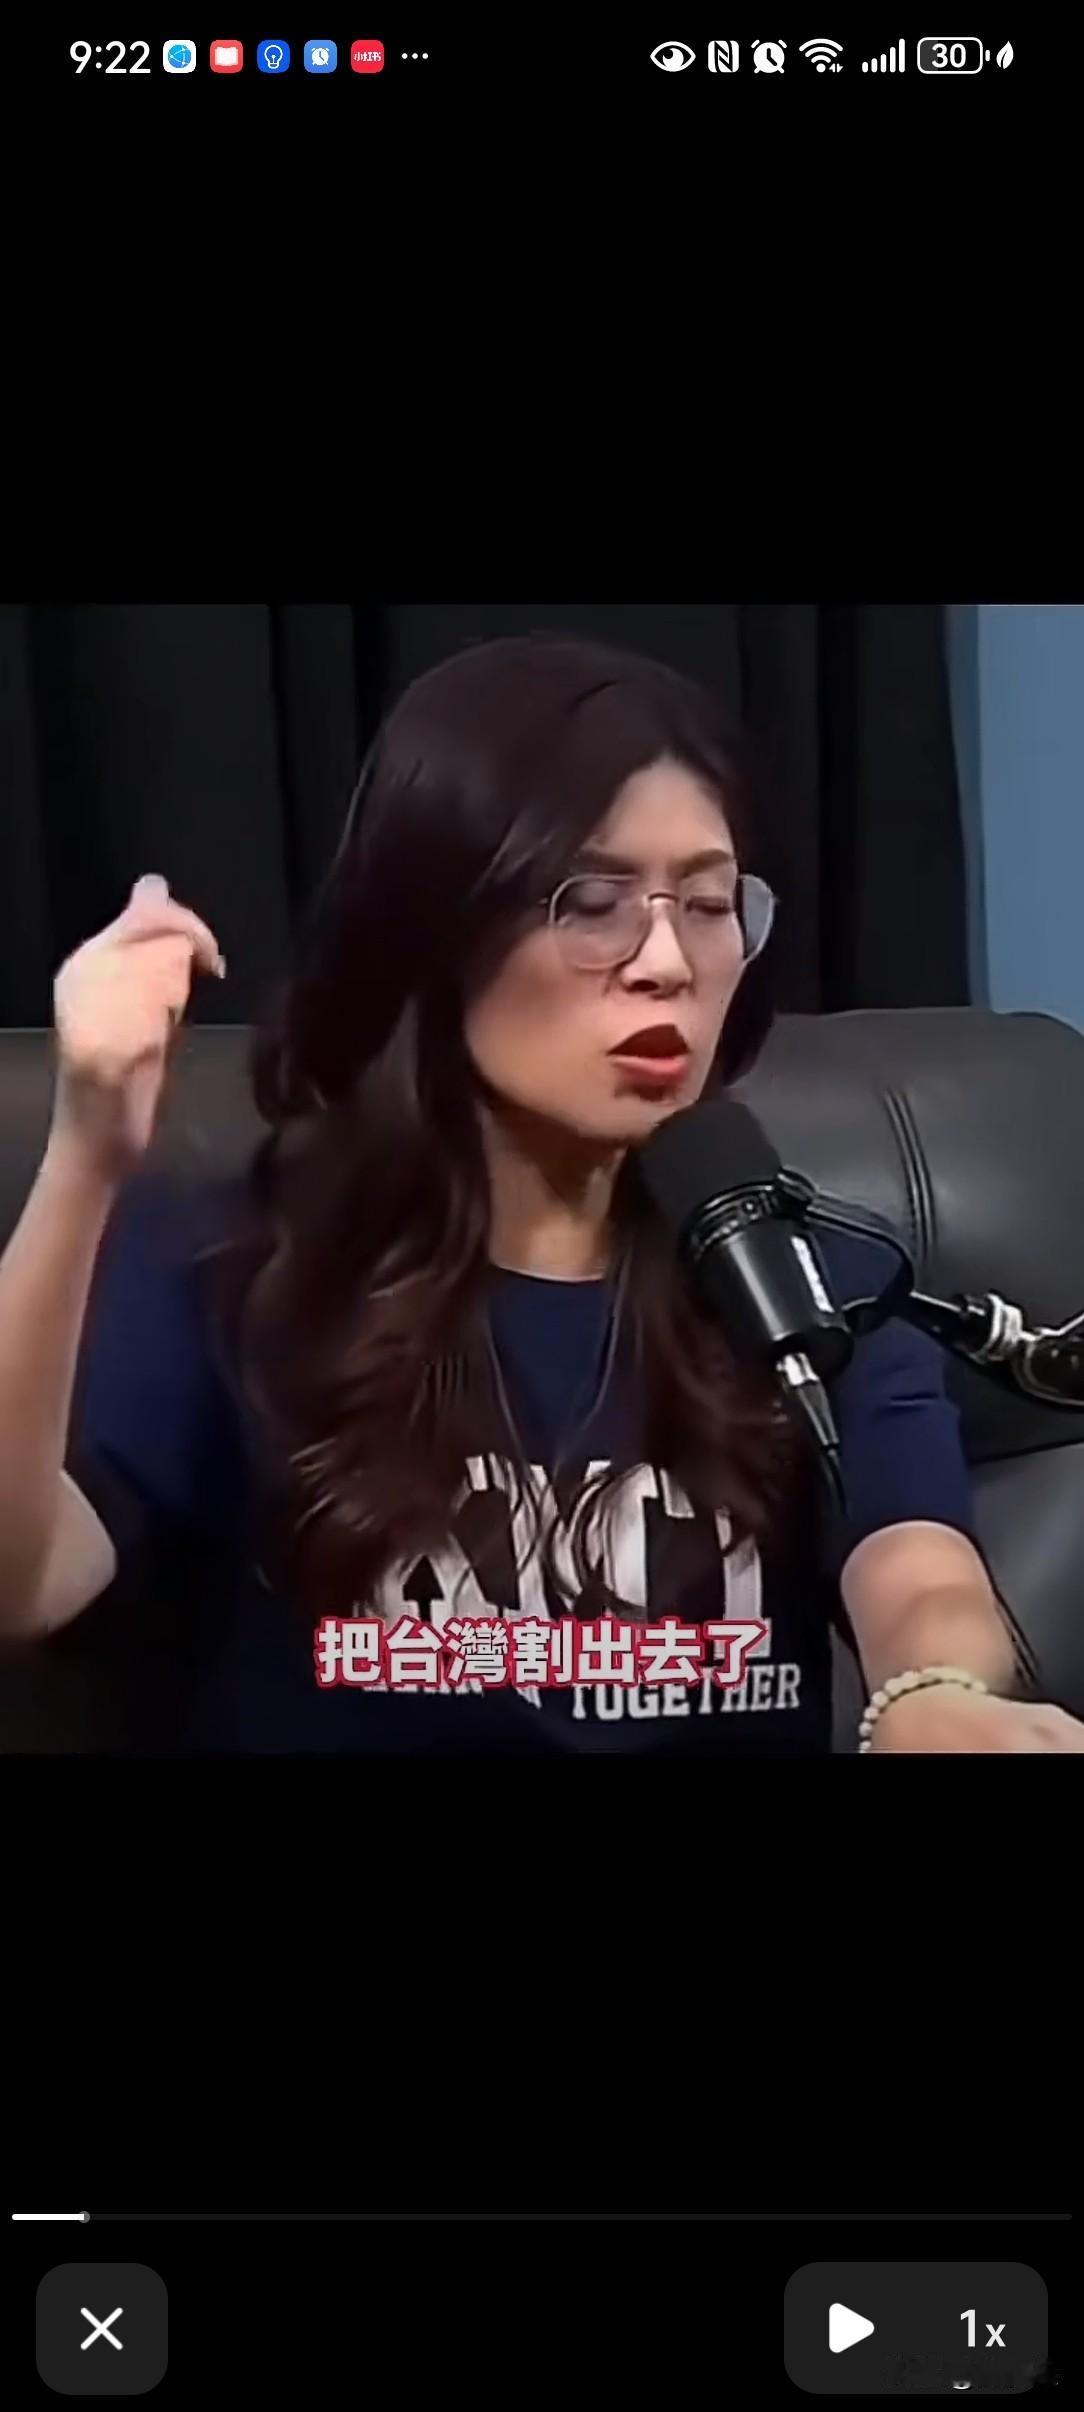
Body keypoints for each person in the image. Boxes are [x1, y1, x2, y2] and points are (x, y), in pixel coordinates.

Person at [1, 632, 1082, 1754]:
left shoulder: (802, 1286)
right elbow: (23, 1585)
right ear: (436, 924)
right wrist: (85, 1155)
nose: (666, 961)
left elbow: (917, 1568)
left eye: (708, 903)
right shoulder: (233, 1269)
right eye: (593, 900)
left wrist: (933, 1691)